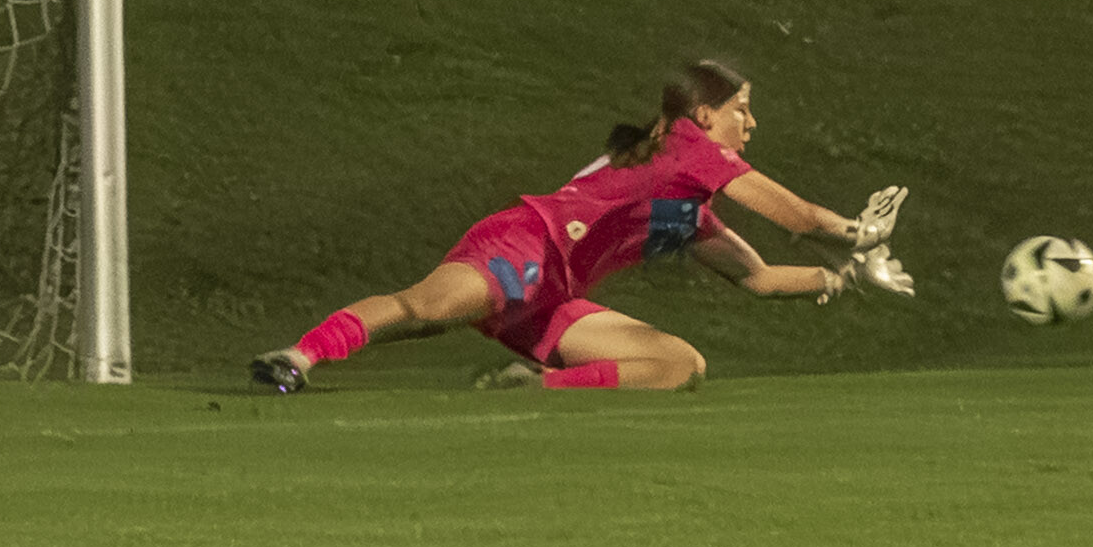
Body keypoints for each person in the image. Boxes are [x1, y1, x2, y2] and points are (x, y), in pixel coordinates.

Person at [250, 60, 913, 395]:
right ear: (704, 115)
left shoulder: (682, 204)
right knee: (426, 310)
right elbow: (796, 217)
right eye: (743, 108)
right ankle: (298, 356)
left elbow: (759, 278)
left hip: (553, 297)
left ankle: (532, 387)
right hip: (525, 246)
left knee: (680, 365)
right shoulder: (686, 146)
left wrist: (847, 277)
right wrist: (859, 233)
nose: (752, 121)